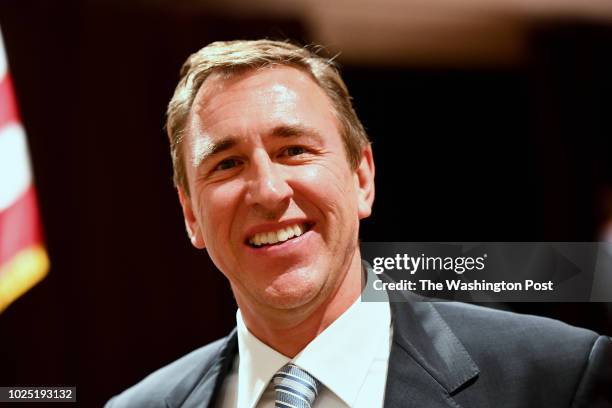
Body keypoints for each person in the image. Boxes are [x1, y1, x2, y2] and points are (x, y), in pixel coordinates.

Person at [106, 40, 611, 408]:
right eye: (227, 164)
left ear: (362, 177)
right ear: (192, 214)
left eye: (294, 151)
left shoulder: (554, 376)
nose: (268, 191)